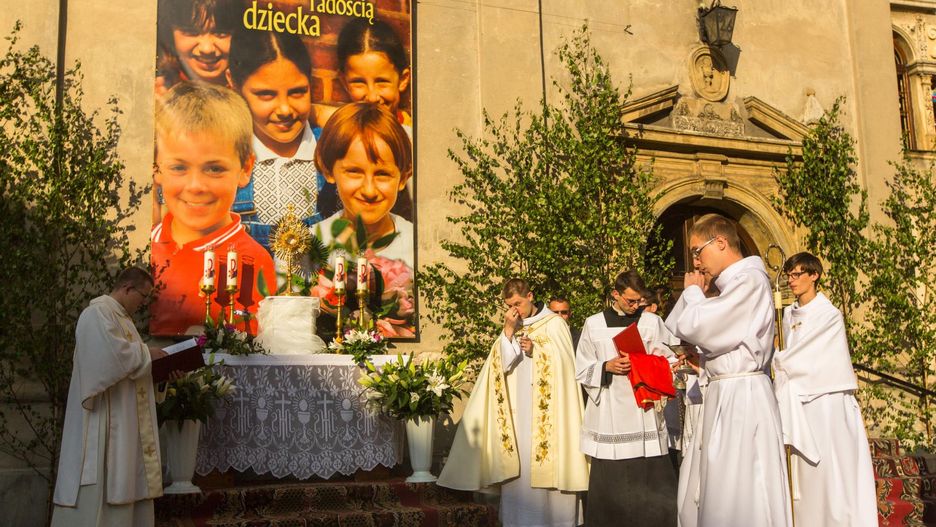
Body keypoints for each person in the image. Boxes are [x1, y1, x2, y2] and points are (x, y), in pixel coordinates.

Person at [664, 213, 791, 527]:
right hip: (726, 393)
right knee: (718, 484)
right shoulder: (734, 284)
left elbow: (700, 325)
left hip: (741, 398)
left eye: (698, 252)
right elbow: (681, 329)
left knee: (739, 488)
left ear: (720, 242)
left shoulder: (750, 280)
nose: (696, 263)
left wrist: (693, 293)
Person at [438, 278, 588, 527]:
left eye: (518, 303)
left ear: (530, 296)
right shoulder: (513, 325)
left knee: (551, 478)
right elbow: (500, 366)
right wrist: (508, 332)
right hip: (518, 419)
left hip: (550, 419)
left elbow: (567, 367)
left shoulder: (554, 324)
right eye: (509, 305)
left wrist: (537, 351)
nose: (514, 309)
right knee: (520, 473)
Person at [150, 82, 276, 336]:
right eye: (179, 167)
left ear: (245, 168)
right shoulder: (142, 248)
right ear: (156, 168)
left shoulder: (253, 260)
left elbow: (250, 344)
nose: (196, 186)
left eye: (214, 169)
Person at [51, 267, 166, 527]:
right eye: (143, 296)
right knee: (104, 486)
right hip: (104, 419)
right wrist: (147, 354)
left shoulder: (125, 321)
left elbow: (132, 367)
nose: (144, 304)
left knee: (127, 479)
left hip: (126, 425)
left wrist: (161, 370)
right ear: (127, 288)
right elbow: (109, 359)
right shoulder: (96, 314)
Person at [771, 252, 876, 526]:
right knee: (804, 478)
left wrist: (779, 360)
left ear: (814, 275)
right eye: (789, 275)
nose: (791, 280)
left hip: (826, 403)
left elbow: (810, 354)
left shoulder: (829, 315)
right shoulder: (786, 314)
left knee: (829, 473)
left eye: (797, 274)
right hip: (797, 402)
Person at [575, 270, 678, 526]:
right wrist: (606, 366)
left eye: (639, 301)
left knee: (649, 481)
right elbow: (581, 369)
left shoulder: (652, 322)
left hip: (643, 410)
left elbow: (671, 360)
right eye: (630, 301)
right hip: (609, 412)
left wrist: (644, 363)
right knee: (612, 486)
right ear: (615, 294)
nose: (635, 306)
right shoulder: (594, 324)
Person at [227, 29, 339, 251]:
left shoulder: (334, 150)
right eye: (266, 95)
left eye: (298, 92)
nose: (285, 109)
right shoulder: (224, 157)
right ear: (234, 83)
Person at [331, 17, 414, 219]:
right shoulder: (338, 136)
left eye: (381, 82)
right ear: (344, 81)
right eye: (359, 82)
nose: (372, 96)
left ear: (403, 80)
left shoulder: (414, 141)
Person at [155, 0, 238, 96]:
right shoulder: (156, 92)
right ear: (170, 37)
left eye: (220, 33)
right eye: (191, 32)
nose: (206, 49)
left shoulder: (250, 92)